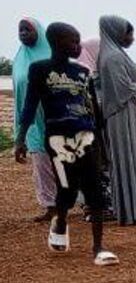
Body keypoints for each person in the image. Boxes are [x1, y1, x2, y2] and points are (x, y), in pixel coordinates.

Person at [16, 22, 117, 266]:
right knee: (67, 191)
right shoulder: (40, 70)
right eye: (73, 41)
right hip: (58, 141)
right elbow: (30, 105)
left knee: (94, 191)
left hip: (87, 137)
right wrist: (20, 139)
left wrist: (102, 141)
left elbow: (94, 108)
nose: (78, 45)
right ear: (57, 42)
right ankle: (60, 220)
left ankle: (98, 247)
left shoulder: (83, 72)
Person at [94, 15, 136, 224]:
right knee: (129, 157)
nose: (131, 38)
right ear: (115, 32)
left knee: (132, 158)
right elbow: (122, 90)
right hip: (122, 115)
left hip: (125, 113)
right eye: (128, 33)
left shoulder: (111, 54)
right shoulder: (113, 57)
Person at [13, 18, 56, 221]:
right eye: (20, 30)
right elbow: (19, 95)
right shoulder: (19, 59)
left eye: (27, 30)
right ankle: (50, 205)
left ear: (39, 32)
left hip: (55, 117)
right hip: (31, 119)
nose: (22, 33)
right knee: (41, 161)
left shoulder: (52, 56)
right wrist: (19, 135)